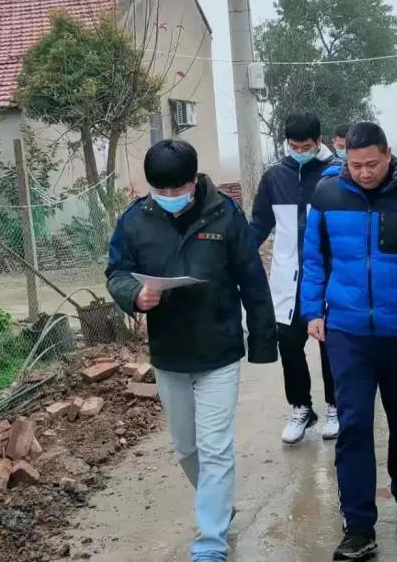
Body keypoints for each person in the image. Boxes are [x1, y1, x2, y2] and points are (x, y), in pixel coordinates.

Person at [106, 140, 277, 562]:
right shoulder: (135, 220)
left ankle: (211, 542)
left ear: (193, 181)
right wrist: (134, 295)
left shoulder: (224, 215)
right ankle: (217, 503)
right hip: (169, 352)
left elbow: (252, 281)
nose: (168, 197)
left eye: (176, 189)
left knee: (215, 447)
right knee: (187, 448)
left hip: (219, 350)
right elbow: (117, 271)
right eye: (160, 191)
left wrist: (262, 341)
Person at [300, 122, 397, 561]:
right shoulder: (327, 194)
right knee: (353, 426)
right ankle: (359, 526)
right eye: (356, 165)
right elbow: (313, 258)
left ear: (389, 153)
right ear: (345, 159)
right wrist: (312, 310)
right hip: (347, 332)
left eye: (372, 163)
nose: (364, 172)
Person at [251, 112, 342, 444]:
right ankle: (301, 407)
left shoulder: (336, 173)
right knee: (289, 345)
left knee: (330, 344)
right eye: (293, 146)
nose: (299, 151)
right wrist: (236, 255)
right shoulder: (275, 177)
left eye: (305, 146)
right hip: (288, 277)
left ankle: (335, 406)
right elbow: (259, 224)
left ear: (318, 141)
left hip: (329, 274)